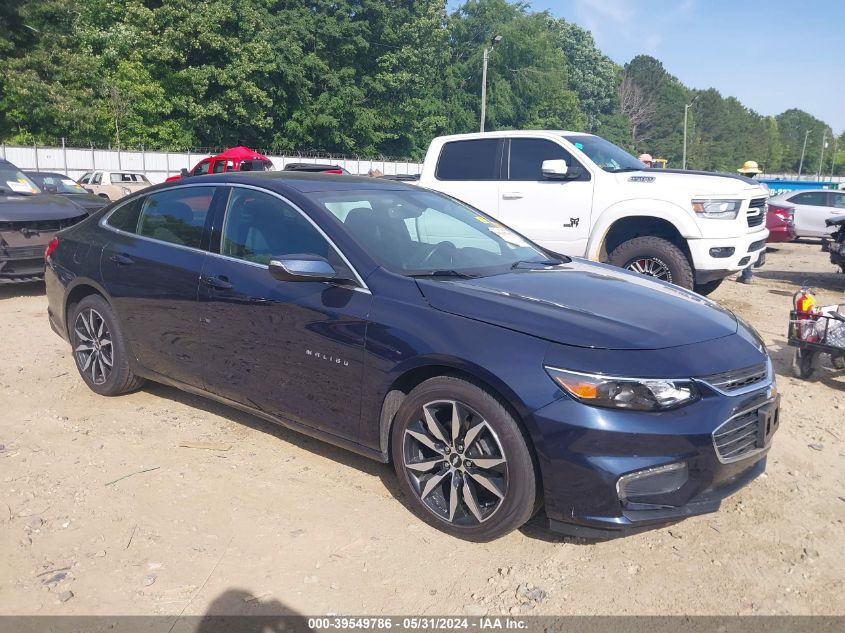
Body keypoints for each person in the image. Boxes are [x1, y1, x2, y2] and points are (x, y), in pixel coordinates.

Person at [737, 160, 763, 284]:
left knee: (744, 248)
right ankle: (748, 274)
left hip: (744, 222)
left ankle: (746, 274)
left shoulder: (741, 185)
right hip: (756, 223)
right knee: (751, 248)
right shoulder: (759, 186)